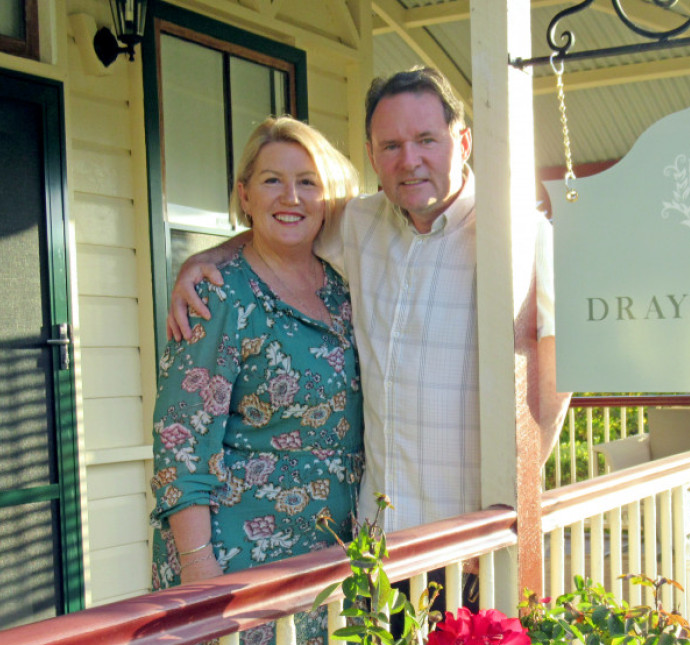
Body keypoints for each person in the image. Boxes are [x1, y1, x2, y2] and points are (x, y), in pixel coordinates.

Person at [167, 67, 571, 535]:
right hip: (376, 543)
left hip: (469, 538)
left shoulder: (522, 234)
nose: (409, 160)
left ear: (463, 143)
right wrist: (201, 259)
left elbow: (554, 383)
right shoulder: (358, 223)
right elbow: (284, 222)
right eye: (391, 146)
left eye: (426, 140)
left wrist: (512, 507)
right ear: (372, 155)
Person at [150, 116, 364, 645]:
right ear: (244, 195)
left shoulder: (343, 288)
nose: (291, 196)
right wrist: (201, 574)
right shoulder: (219, 295)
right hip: (237, 563)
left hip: (329, 563)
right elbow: (182, 445)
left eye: (307, 181)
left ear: (327, 197)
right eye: (272, 180)